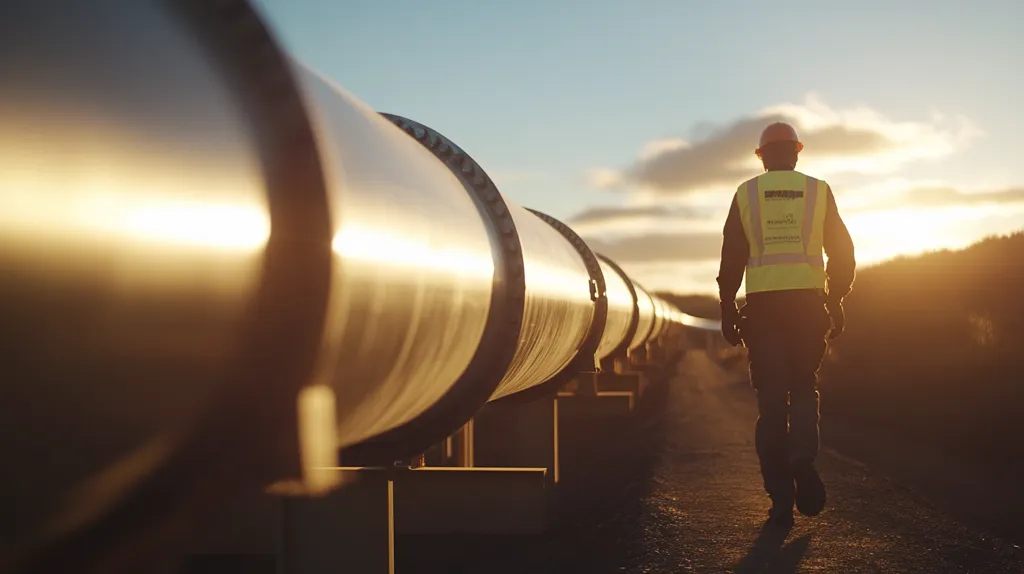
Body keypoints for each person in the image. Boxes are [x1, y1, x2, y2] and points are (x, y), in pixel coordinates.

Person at [716, 121, 856, 529]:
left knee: (772, 402)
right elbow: (842, 252)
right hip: (808, 308)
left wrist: (727, 306)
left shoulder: (746, 195)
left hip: (762, 312)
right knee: (803, 387)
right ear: (796, 153)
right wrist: (836, 299)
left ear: (762, 157)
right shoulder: (818, 191)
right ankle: (802, 460)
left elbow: (732, 257)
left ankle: (779, 497)